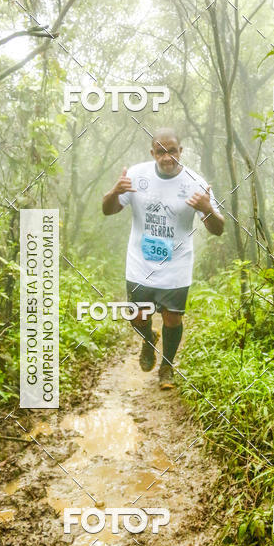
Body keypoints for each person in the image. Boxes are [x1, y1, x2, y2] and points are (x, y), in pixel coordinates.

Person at [102, 128, 224, 388]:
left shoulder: (196, 183)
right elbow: (108, 210)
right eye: (161, 152)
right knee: (137, 317)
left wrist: (208, 209)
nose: (167, 157)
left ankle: (166, 368)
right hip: (139, 263)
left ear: (181, 152)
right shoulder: (136, 175)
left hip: (176, 265)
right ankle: (148, 341)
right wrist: (114, 191)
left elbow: (218, 229)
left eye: (172, 151)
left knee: (173, 318)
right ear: (152, 153)